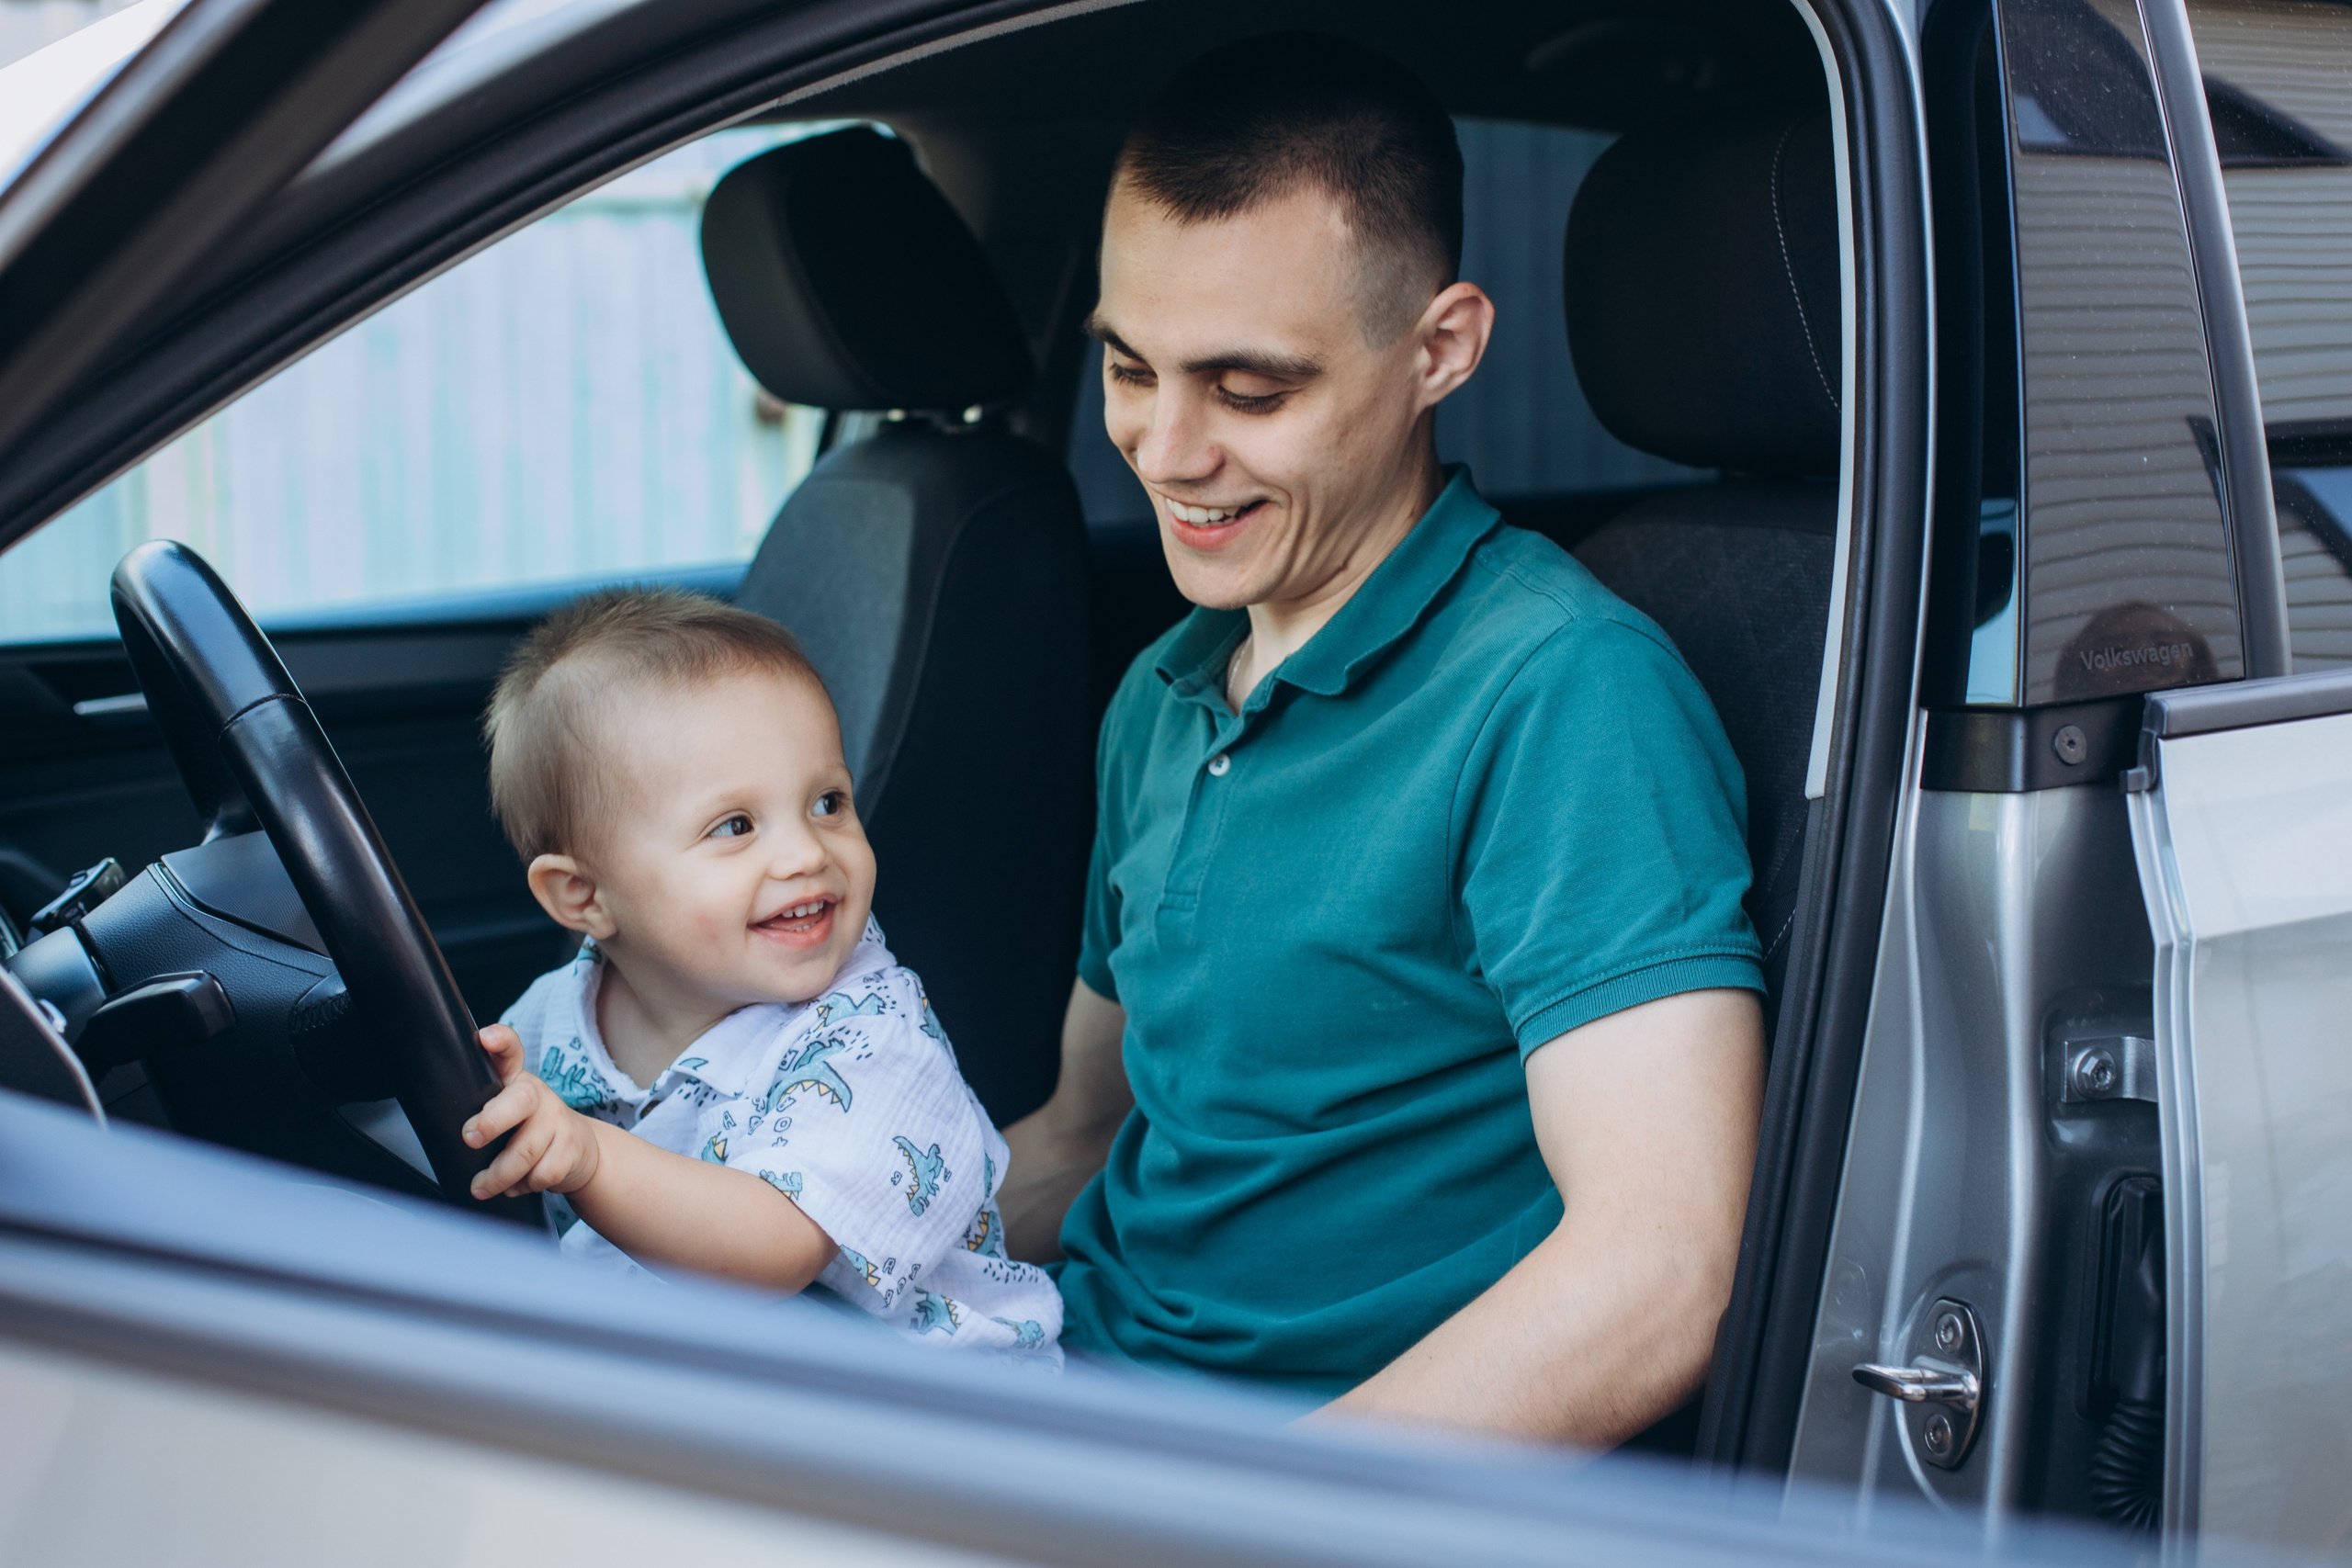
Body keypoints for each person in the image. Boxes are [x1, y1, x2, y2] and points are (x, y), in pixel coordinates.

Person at [997, 34, 1767, 1441]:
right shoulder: (1163, 691)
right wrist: (799, 1256)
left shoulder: (1563, 691)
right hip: (1069, 1392)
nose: (1165, 450)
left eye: (1250, 389)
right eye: (1128, 367)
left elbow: (1660, 1272)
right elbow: (1082, 1132)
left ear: (1440, 349)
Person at [463, 588, 1059, 1359]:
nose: (807, 852)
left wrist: (588, 1154)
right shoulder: (554, 1016)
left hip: (931, 1424)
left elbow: (770, 1248)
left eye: (828, 802)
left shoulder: (875, 1038)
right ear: (584, 895)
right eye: (736, 825)